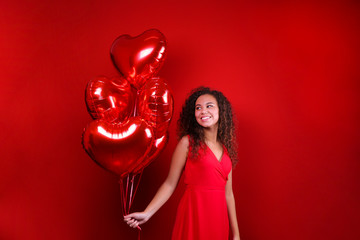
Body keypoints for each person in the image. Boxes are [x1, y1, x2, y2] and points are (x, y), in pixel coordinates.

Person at [124, 87, 241, 240]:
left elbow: (228, 194)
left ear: (222, 111)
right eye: (198, 108)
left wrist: (236, 234)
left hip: (218, 219)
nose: (203, 111)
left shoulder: (226, 150)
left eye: (209, 106)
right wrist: (147, 213)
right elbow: (169, 184)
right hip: (194, 214)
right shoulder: (187, 143)